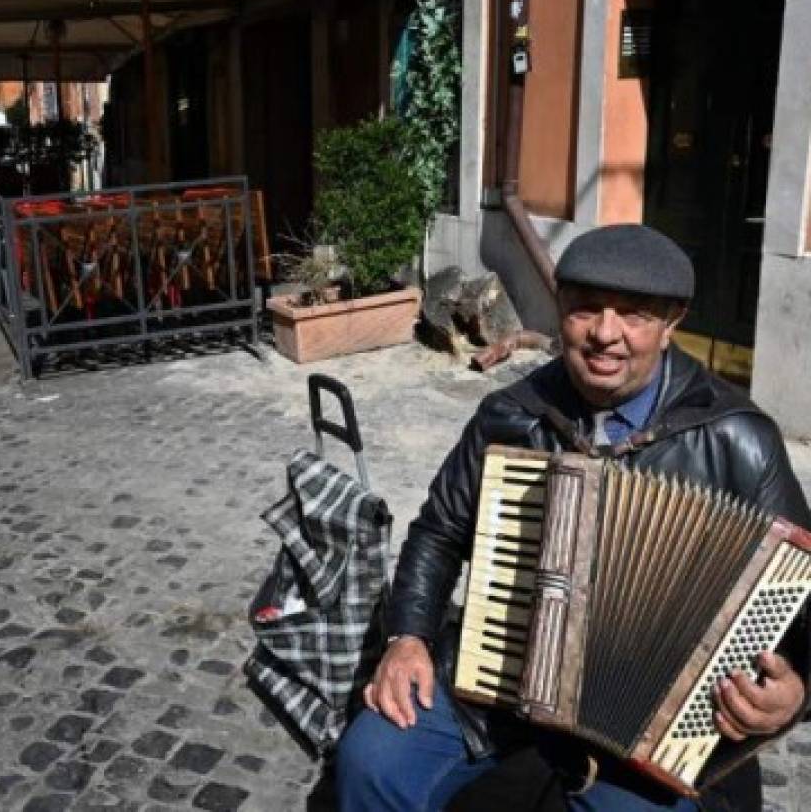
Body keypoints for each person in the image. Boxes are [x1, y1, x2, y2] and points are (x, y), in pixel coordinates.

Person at [336, 224, 810, 812]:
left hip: (657, 725)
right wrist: (408, 637)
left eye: (633, 315)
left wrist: (797, 690)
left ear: (673, 321)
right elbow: (438, 532)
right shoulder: (512, 415)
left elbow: (802, 600)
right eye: (586, 309)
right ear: (560, 308)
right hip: (501, 680)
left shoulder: (739, 439)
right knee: (372, 762)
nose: (605, 334)